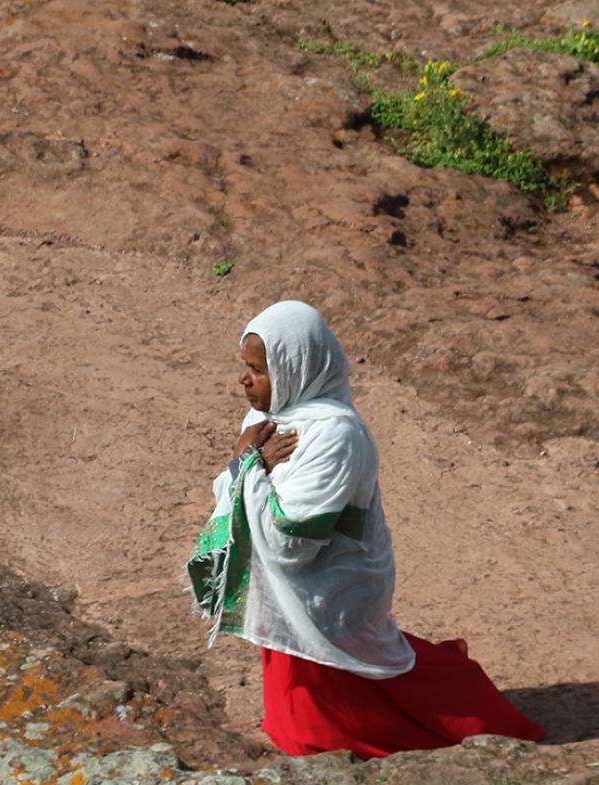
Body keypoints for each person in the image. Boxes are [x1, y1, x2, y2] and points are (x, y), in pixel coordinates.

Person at [188, 300, 544, 758]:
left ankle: (465, 713)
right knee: (304, 691)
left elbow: (289, 542)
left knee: (341, 705)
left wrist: (245, 467)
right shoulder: (265, 420)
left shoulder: (336, 435)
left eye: (259, 370)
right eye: (246, 367)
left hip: (334, 585)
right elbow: (241, 485)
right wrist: (245, 465)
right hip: (291, 587)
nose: (244, 380)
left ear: (297, 367)